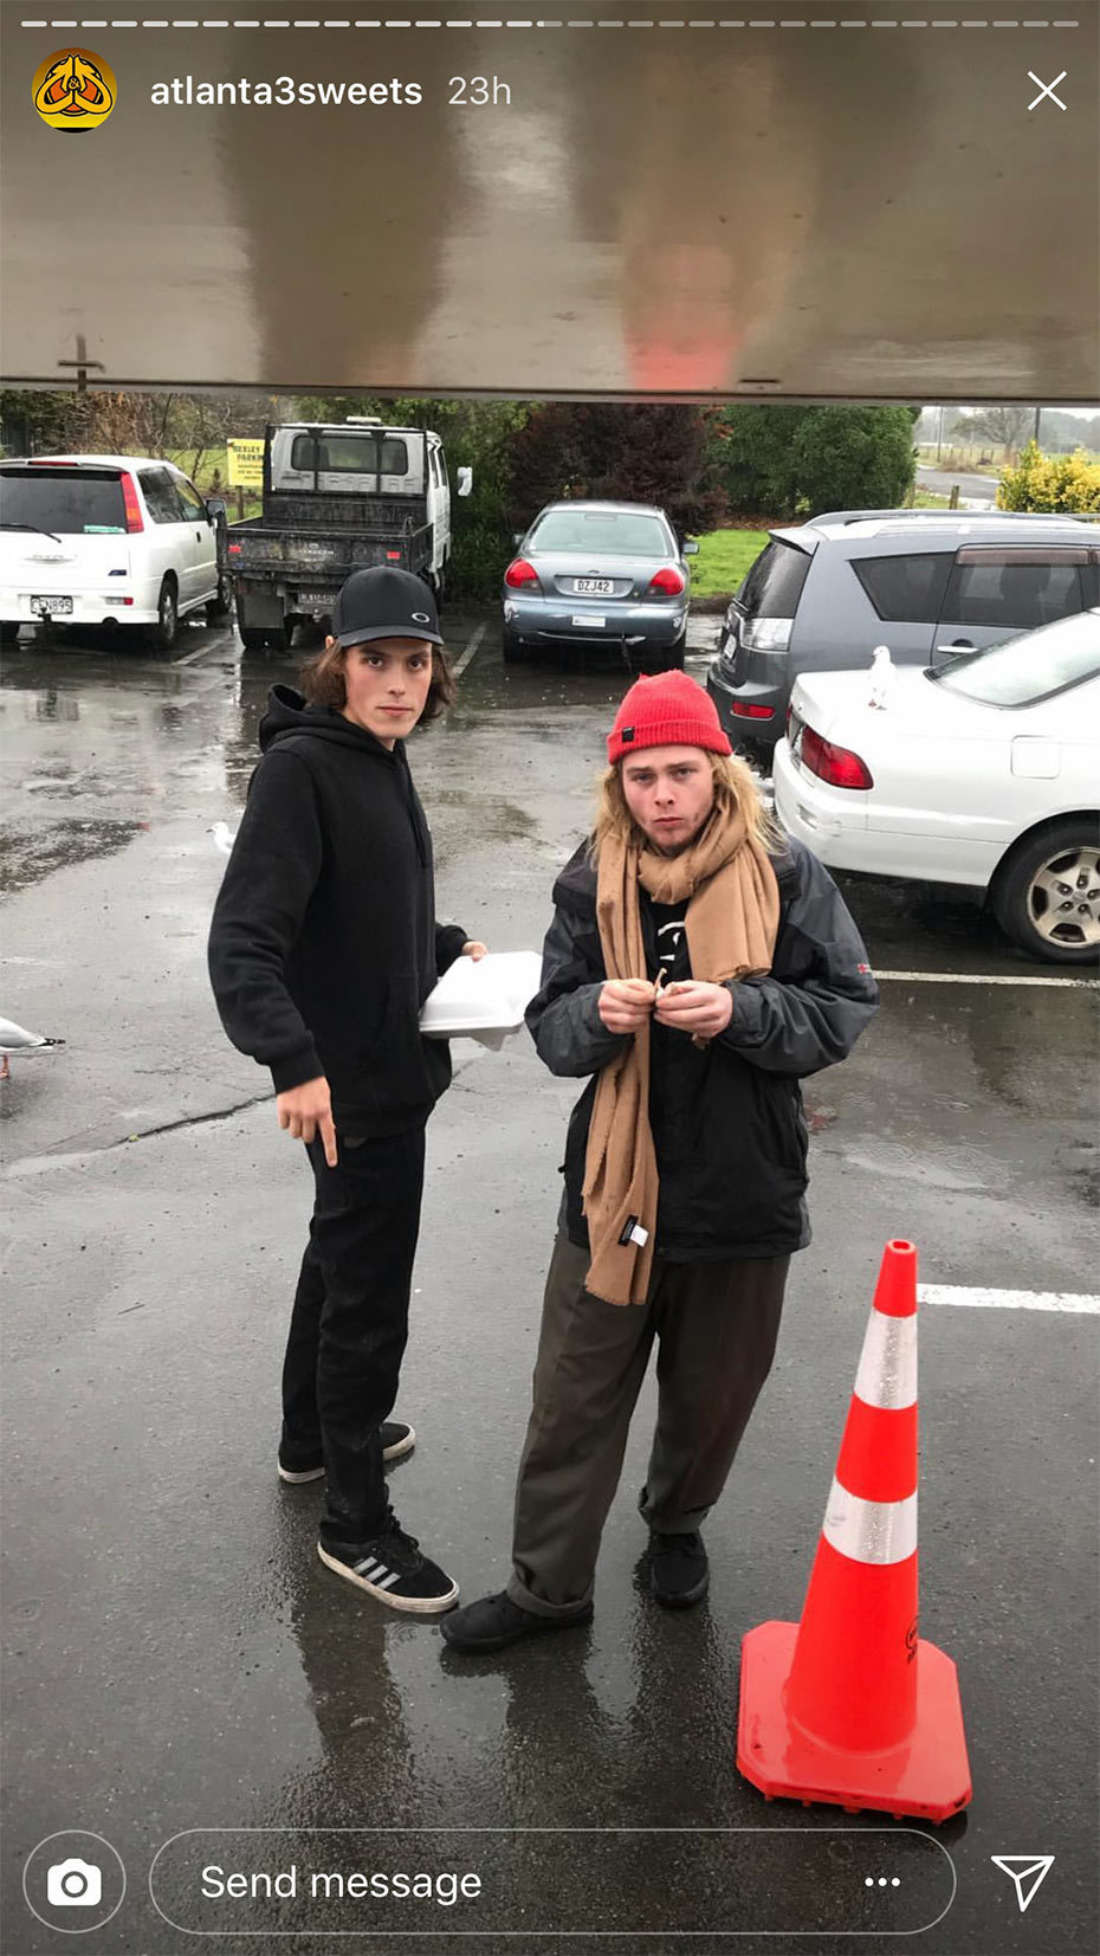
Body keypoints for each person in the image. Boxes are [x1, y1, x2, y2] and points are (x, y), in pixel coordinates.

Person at [441, 670, 878, 1653]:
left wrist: (742, 1011)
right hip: (610, 1192)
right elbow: (550, 1031)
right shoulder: (588, 879)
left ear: (719, 774)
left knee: (712, 1395)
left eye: (681, 772)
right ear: (617, 786)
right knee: (572, 1399)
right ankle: (545, 1590)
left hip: (740, 1191)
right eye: (641, 778)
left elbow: (845, 1005)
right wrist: (589, 1017)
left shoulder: (785, 871)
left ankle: (675, 1528)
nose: (663, 797)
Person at [208, 565, 485, 1615]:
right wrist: (293, 1060)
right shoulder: (303, 773)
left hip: (384, 1074)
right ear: (338, 661)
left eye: (415, 663)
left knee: (337, 1260)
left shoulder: (380, 757)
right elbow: (244, 940)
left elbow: (366, 904)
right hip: (350, 1090)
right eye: (377, 661)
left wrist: (444, 943)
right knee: (368, 1302)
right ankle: (355, 1524)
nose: (398, 682)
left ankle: (307, 1441)